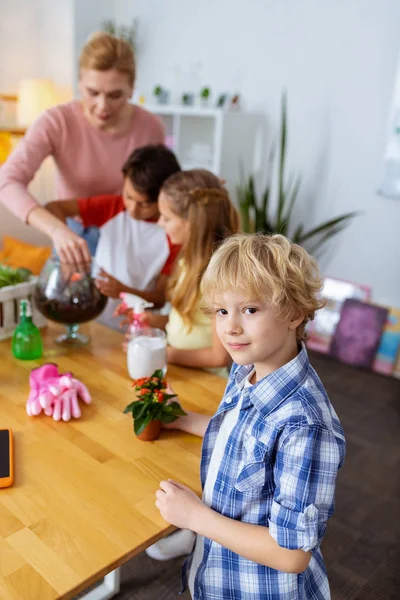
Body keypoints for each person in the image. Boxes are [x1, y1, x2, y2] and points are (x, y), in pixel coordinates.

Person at [155, 233, 346, 599]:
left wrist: (194, 518)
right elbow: (242, 436)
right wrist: (182, 419)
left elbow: (291, 555)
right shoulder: (249, 370)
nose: (230, 327)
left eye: (250, 310)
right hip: (221, 576)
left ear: (294, 313)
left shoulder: (304, 425)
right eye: (222, 311)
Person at [0, 31, 164, 263]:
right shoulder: (56, 122)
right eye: (92, 92)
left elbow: (163, 188)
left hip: (130, 237)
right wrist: (56, 230)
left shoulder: (150, 127)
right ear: (79, 83)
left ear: (132, 88)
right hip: (73, 236)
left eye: (115, 95)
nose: (102, 106)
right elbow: (7, 181)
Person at [45, 145, 181, 329]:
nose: (132, 209)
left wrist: (123, 291)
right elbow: (54, 208)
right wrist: (64, 236)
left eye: (145, 204)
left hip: (136, 327)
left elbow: (160, 299)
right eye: (129, 196)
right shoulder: (112, 208)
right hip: (94, 320)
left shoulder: (173, 234)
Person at [145, 169, 240, 373]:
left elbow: (220, 356)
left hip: (206, 382)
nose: (160, 223)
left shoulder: (219, 277)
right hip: (181, 371)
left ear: (191, 223)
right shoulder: (186, 261)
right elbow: (190, 325)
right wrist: (153, 322)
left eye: (166, 218)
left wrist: (166, 354)